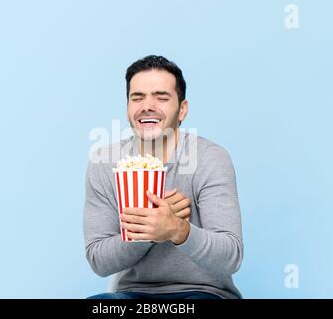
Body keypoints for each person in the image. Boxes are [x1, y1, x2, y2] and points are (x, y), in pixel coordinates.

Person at [84, 55, 243, 299]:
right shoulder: (105, 163)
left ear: (182, 109)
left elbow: (231, 256)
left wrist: (178, 230)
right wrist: (149, 229)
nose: (147, 105)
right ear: (128, 107)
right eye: (137, 97)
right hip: (133, 294)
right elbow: (99, 261)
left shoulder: (210, 159)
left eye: (161, 97)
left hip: (204, 293)